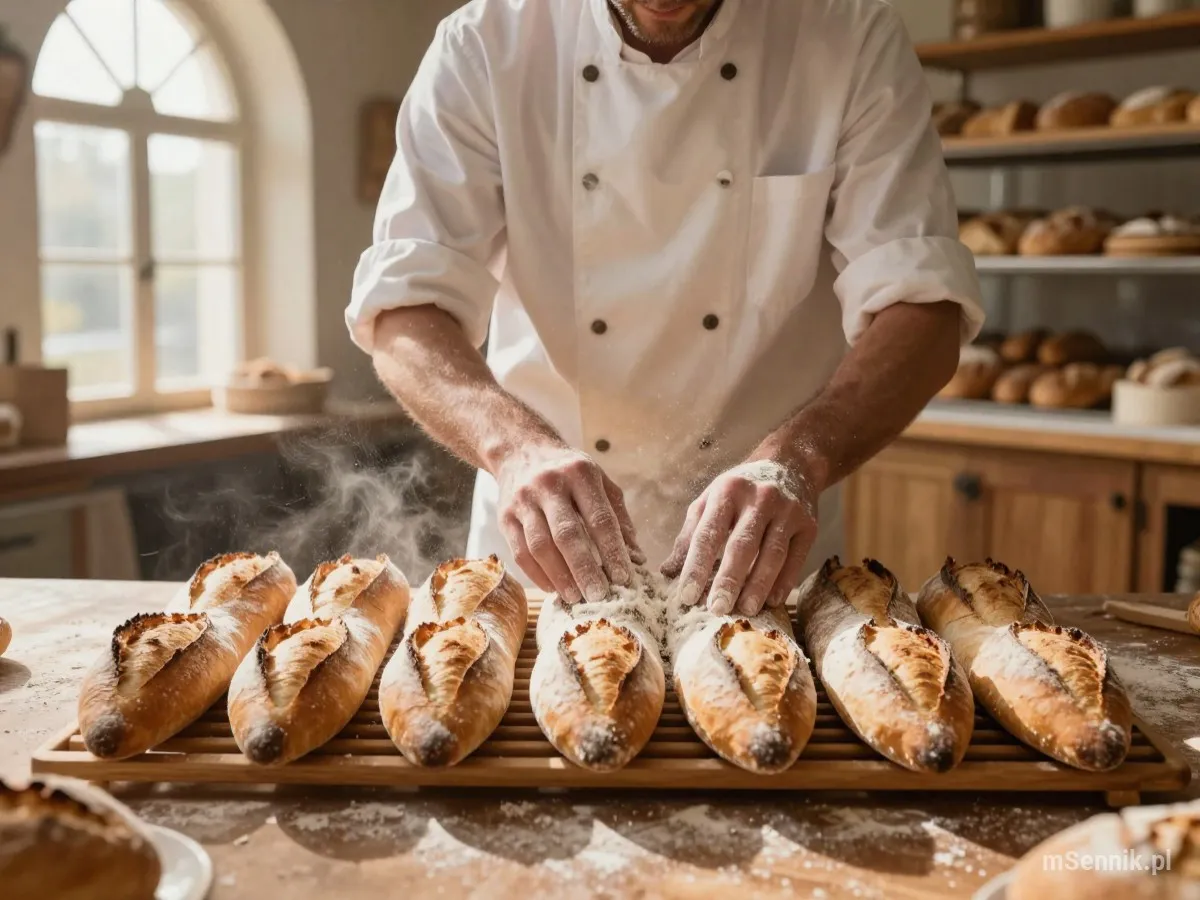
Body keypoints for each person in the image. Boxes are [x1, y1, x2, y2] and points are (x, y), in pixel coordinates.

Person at [347, 0, 984, 617]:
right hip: (545, 554)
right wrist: (514, 448)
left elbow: (921, 306)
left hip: (767, 553)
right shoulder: (485, 46)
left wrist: (799, 457)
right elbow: (407, 308)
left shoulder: (848, 39)